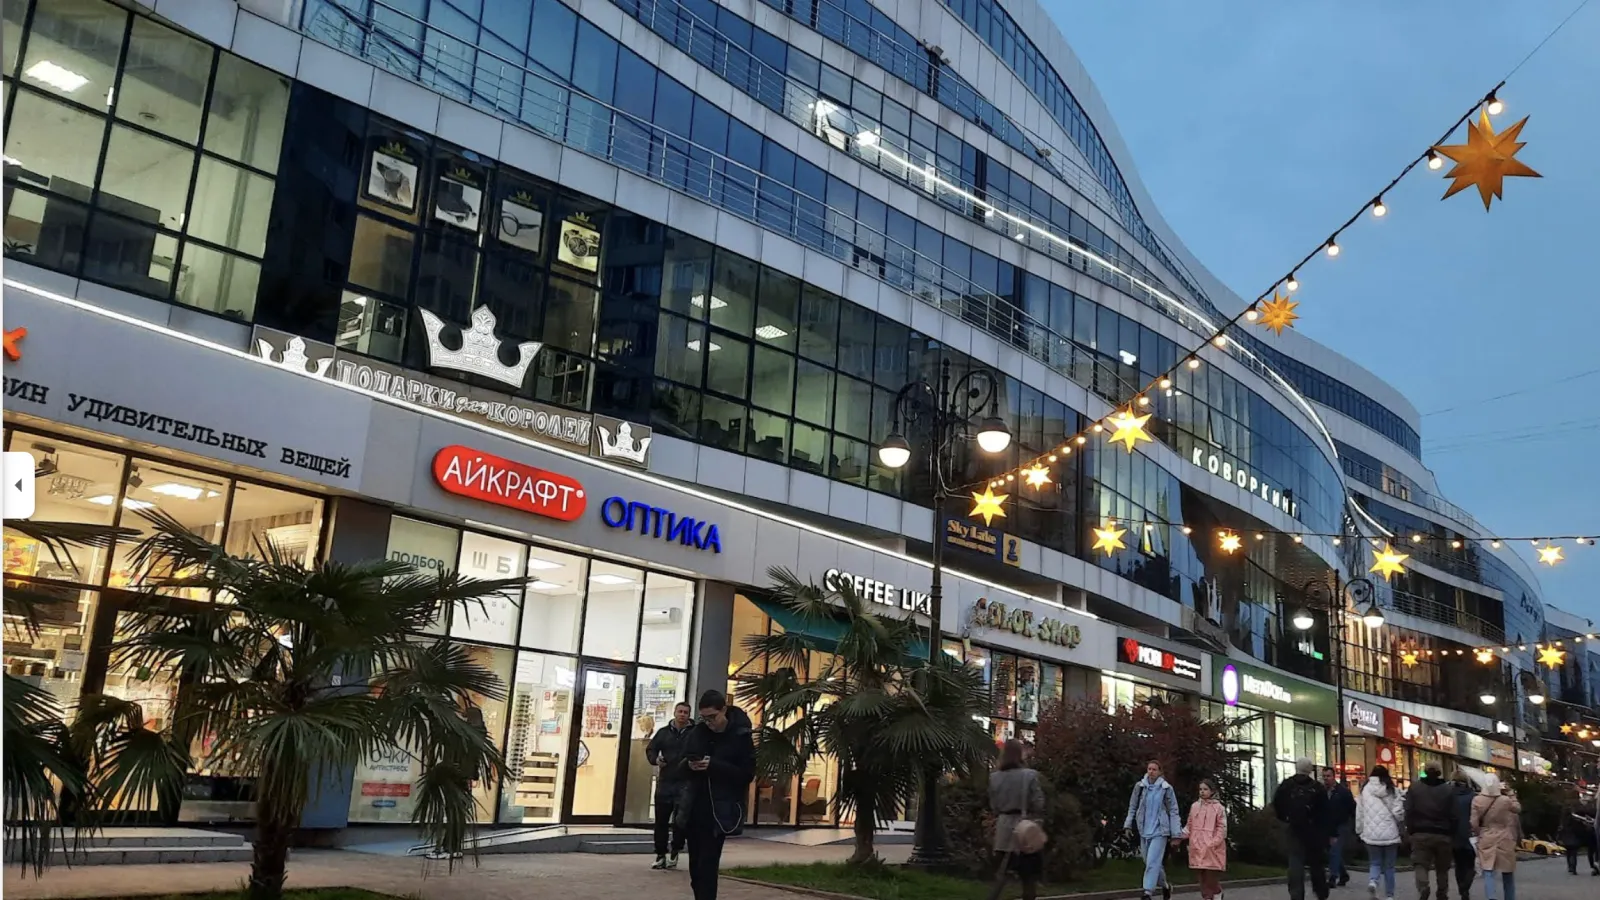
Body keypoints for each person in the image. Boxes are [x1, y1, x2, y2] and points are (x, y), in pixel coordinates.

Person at [675, 690, 755, 900]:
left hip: (719, 810)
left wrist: (713, 765)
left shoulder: (740, 736)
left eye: (713, 717)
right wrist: (690, 765)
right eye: (704, 718)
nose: (709, 722)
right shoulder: (698, 732)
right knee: (695, 868)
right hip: (694, 808)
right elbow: (679, 767)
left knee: (708, 866)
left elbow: (746, 774)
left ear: (724, 710)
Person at [988, 739, 1048, 900]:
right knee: (1028, 877)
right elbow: (1039, 803)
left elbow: (994, 806)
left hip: (1003, 828)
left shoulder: (994, 777)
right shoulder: (1030, 775)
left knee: (1002, 872)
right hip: (1025, 829)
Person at [1273, 757, 1332, 900]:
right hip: (1313, 830)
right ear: (1310, 770)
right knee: (1316, 862)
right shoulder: (1317, 788)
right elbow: (1325, 812)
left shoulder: (1287, 785)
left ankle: (1296, 894)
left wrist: (1285, 818)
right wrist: (1326, 832)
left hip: (1294, 828)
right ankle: (1320, 891)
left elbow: (1277, 804)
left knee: (1295, 861)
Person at [1123, 759, 1183, 900]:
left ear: (1160, 772)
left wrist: (1176, 834)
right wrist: (1128, 825)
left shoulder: (1166, 788)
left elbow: (1173, 811)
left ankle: (1147, 892)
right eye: (1149, 769)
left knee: (1152, 862)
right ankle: (1165, 886)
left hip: (1160, 831)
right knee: (1151, 862)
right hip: (1144, 829)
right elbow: (1132, 806)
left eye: (1154, 769)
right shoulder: (1140, 787)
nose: (1151, 772)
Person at [645, 701, 693, 870]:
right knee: (661, 821)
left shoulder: (694, 733)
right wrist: (656, 759)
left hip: (685, 783)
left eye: (685, 712)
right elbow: (651, 749)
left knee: (681, 821)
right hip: (665, 782)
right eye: (680, 711)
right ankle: (660, 855)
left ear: (689, 715)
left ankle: (675, 851)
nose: (682, 715)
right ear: (674, 713)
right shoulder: (663, 733)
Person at [1405, 762, 1459, 900]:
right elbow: (1454, 814)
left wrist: (1410, 830)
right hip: (1443, 834)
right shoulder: (1448, 790)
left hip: (1420, 833)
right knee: (1442, 868)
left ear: (1425, 770)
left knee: (1420, 864)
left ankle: (1423, 886)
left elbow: (1408, 810)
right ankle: (1442, 893)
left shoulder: (1415, 788)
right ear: (1439, 771)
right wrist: (1452, 832)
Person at [1355, 765, 1404, 900]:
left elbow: (1360, 813)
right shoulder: (1392, 790)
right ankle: (1389, 896)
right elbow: (1398, 813)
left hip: (1370, 834)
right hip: (1390, 834)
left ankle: (1373, 881)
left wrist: (1359, 830)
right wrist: (1401, 821)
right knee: (1389, 867)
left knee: (1375, 863)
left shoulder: (1365, 790)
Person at [1470, 776, 1520, 900]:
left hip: (1486, 836)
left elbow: (1473, 823)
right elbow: (1517, 808)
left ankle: (1491, 897)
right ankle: (1509, 897)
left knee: (1488, 870)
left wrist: (1479, 832)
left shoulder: (1477, 800)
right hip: (1505, 836)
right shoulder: (1505, 800)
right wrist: (1511, 793)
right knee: (1507, 871)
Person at [1184, 778, 1228, 900]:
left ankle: (1217, 893)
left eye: (1205, 789)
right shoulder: (1195, 806)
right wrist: (1179, 835)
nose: (1202, 792)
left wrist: (1213, 843)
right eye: (1200, 789)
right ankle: (1207, 897)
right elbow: (1189, 825)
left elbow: (1222, 828)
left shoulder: (1218, 808)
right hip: (1197, 847)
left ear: (1212, 791)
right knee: (1201, 878)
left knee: (1211, 877)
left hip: (1212, 849)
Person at [1322, 767, 1356, 887]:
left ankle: (1333, 877)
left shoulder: (1343, 792)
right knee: (1331, 851)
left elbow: (1352, 808)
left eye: (1328, 776)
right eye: (1324, 776)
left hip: (1341, 825)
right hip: (1327, 825)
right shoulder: (1322, 792)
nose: (1326, 779)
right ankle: (1343, 874)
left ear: (1333, 776)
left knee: (1334, 850)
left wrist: (1351, 824)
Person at [1449, 771, 1479, 898]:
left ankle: (1462, 888)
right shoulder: (1473, 796)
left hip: (1454, 834)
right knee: (1470, 865)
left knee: (1459, 864)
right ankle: (1465, 886)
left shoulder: (1449, 795)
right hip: (1470, 834)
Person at [1559, 800, 1599, 875]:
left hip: (1571, 837)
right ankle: (1592, 866)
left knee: (1570, 852)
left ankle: (1571, 867)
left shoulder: (1567, 820)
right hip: (1579, 837)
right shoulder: (1576, 818)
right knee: (1575, 852)